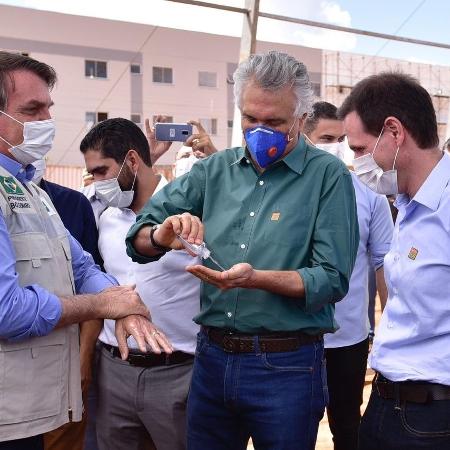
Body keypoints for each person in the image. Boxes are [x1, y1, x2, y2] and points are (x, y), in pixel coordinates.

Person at [125, 50, 359, 450]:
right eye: (251, 119)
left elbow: (332, 278)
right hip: (213, 358)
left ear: (300, 119)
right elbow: (138, 238)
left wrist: (257, 280)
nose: (259, 130)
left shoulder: (328, 176)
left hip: (285, 366)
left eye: (274, 122)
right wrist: (162, 236)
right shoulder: (213, 171)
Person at [0, 51, 171, 450]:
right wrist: (102, 306)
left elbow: (80, 265)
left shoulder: (29, 191)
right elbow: (6, 311)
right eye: (32, 109)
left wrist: (122, 303)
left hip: (29, 411)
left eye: (48, 108)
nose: (46, 121)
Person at [339, 72, 450, 450]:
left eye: (359, 149)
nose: (356, 163)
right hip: (387, 402)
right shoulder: (407, 205)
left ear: (394, 132)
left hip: (432, 415)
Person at [80, 118, 200, 450]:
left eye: (103, 171)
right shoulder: (103, 215)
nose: (97, 182)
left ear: (132, 161)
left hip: (179, 372)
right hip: (113, 369)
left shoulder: (189, 211)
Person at [304, 101, 393, 450]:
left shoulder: (369, 193)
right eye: (327, 137)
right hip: (295, 340)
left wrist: (388, 332)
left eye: (343, 139)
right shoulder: (287, 191)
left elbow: (384, 262)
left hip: (348, 340)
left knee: (347, 425)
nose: (338, 147)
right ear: (304, 136)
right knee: (293, 429)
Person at [30, 160, 103, 450]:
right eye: (31, 111)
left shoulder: (68, 204)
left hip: (63, 363)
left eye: (44, 112)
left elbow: (87, 274)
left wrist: (84, 357)